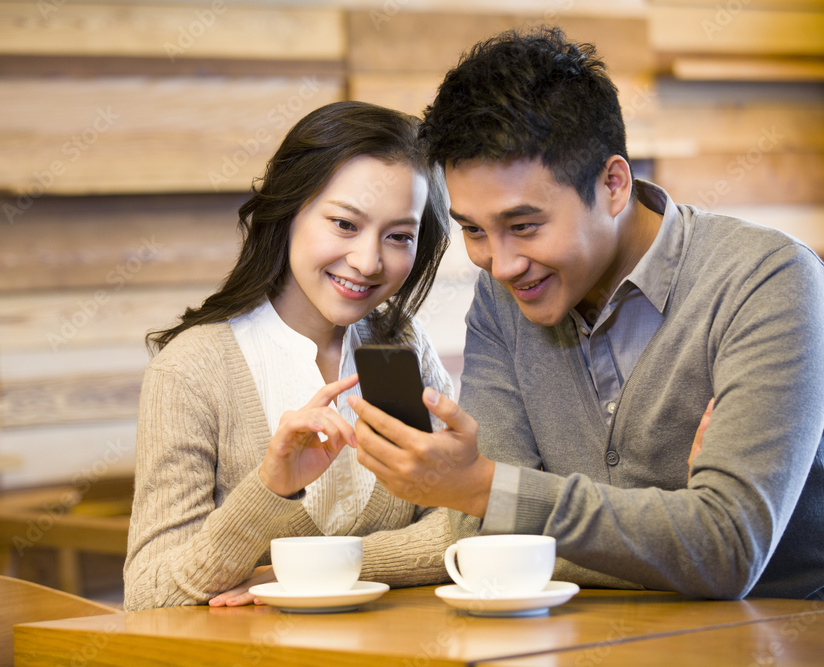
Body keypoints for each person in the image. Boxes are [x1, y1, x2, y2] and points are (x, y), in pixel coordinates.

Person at [350, 27, 824, 600]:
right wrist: (673, 531)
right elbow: (481, 542)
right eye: (473, 230)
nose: (499, 264)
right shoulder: (503, 301)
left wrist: (495, 492)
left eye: (524, 226)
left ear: (614, 184)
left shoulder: (768, 279)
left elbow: (725, 550)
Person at [123, 100, 455, 610]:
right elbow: (148, 595)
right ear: (289, 209)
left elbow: (462, 526)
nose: (368, 262)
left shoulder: (402, 346)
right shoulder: (193, 369)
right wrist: (268, 488)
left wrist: (293, 571)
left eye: (399, 237)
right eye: (345, 224)